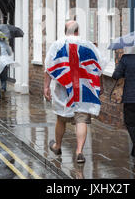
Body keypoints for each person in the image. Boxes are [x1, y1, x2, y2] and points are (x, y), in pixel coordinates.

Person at [44, 21, 104, 164]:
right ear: (78, 30)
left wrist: (46, 87)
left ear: (65, 31)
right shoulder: (88, 45)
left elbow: (49, 67)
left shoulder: (57, 44)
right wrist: (99, 86)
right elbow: (97, 67)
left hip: (63, 88)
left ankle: (57, 146)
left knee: (61, 118)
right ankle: (79, 152)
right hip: (84, 89)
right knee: (81, 119)